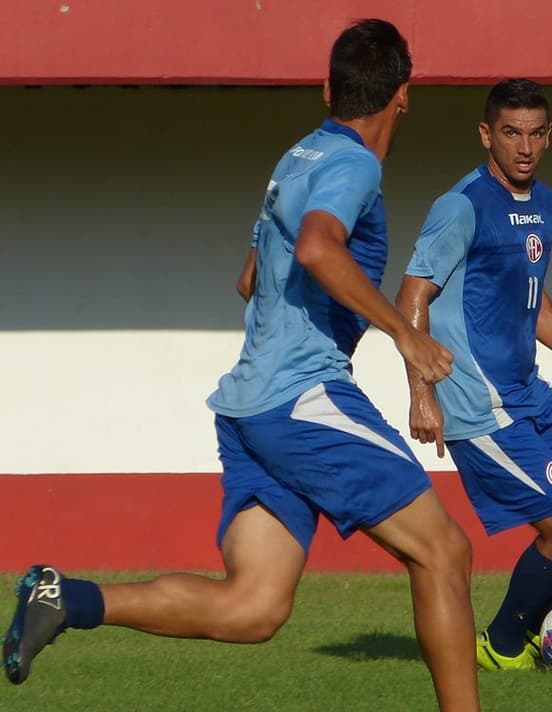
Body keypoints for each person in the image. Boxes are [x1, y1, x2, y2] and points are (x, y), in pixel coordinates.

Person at [3, 19, 481, 710]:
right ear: (404, 95)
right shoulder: (354, 165)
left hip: (250, 408)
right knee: (445, 553)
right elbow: (318, 249)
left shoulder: (297, 158)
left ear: (327, 89)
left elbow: (251, 278)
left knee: (253, 608)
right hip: (302, 398)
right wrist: (402, 335)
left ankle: (64, 599)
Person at [395, 78, 552, 671]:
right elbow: (411, 296)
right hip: (480, 405)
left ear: (548, 137)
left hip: (529, 391)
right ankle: (504, 646)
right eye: (510, 133)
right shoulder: (463, 205)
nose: (523, 147)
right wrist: (422, 393)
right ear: (486, 135)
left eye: (534, 134)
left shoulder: (545, 205)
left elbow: (530, 294)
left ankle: (531, 627)